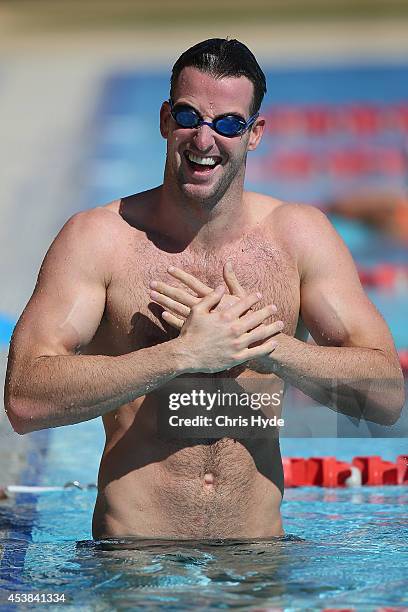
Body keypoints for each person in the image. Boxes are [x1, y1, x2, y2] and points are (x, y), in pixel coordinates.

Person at [4, 39, 404, 540]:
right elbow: (24, 400)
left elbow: (388, 397)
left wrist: (267, 347)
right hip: (135, 563)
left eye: (229, 124)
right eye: (190, 116)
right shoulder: (98, 239)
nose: (205, 139)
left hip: (258, 559)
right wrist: (181, 355)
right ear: (165, 119)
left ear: (254, 134)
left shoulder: (298, 236)